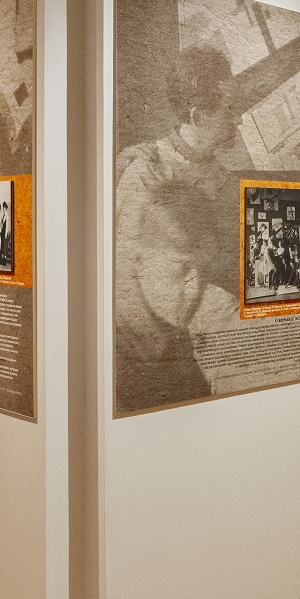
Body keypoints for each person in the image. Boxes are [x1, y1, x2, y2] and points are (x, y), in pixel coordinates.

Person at [114, 45, 253, 413]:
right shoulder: (146, 174)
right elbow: (156, 293)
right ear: (197, 116)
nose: (239, 120)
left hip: (204, 333)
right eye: (230, 110)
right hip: (161, 364)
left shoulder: (216, 171)